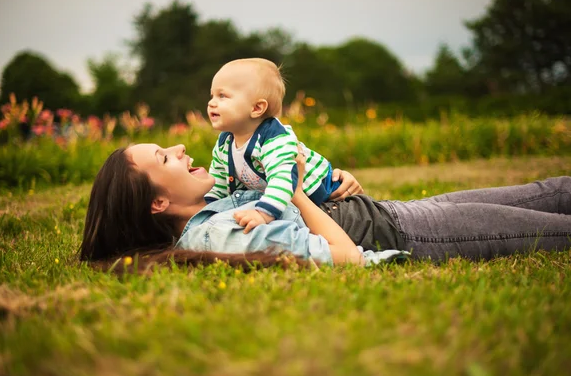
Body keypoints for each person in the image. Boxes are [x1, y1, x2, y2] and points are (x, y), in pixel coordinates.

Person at [79, 143, 571, 269]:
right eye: (164, 158)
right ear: (158, 202)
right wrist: (290, 190)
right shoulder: (217, 233)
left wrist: (325, 183)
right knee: (552, 225)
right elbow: (343, 258)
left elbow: (300, 205)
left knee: (551, 190)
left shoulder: (215, 203)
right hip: (406, 235)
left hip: (394, 212)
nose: (181, 151)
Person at [206, 58, 342, 234]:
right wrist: (206, 211)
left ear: (256, 108)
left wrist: (262, 214)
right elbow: (218, 183)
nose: (212, 103)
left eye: (222, 95)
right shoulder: (225, 142)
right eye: (212, 95)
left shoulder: (274, 137)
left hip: (322, 194)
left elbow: (282, 178)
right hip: (284, 200)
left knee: (342, 221)